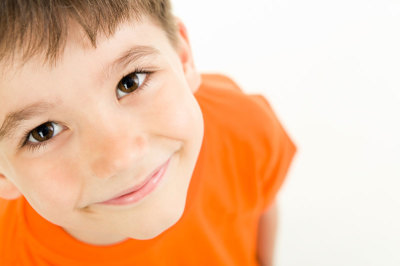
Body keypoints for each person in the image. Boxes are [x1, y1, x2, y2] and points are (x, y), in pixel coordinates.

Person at [0, 0, 297, 265]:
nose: (121, 158)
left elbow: (261, 202)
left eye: (130, 82)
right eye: (43, 132)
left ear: (183, 59)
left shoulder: (242, 126)